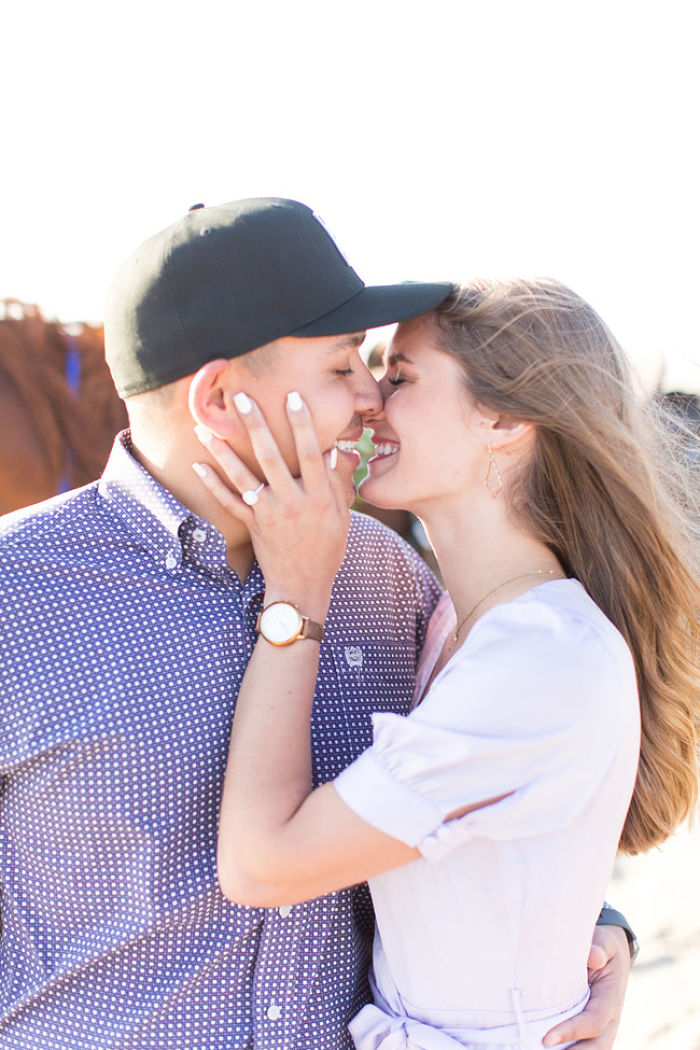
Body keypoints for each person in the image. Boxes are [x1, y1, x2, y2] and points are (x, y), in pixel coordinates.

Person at [0, 202, 632, 1050]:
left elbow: (478, 794)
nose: (372, 396)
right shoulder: (20, 594)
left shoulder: (390, 582)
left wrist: (593, 927)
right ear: (221, 399)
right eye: (344, 368)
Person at [194, 277, 699, 1049]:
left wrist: (295, 591)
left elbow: (264, 866)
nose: (369, 400)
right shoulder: (456, 621)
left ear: (501, 418)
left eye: (400, 377)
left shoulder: (539, 662)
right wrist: (602, 927)